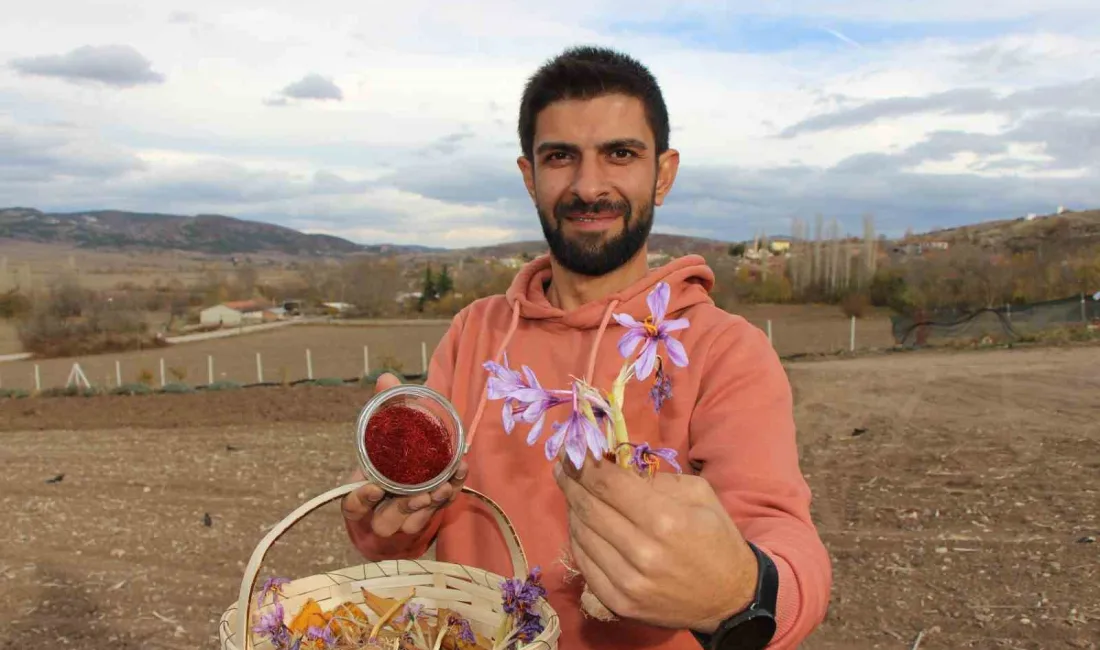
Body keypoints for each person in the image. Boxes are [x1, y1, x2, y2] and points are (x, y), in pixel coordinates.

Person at [342, 45, 832, 649]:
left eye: (620, 154)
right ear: (530, 177)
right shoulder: (475, 333)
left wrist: (743, 593)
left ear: (664, 173)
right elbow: (414, 524)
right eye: (560, 157)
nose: (588, 185)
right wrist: (388, 527)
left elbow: (787, 543)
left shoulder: (724, 350)